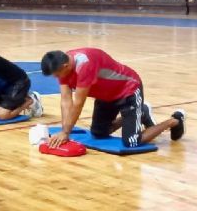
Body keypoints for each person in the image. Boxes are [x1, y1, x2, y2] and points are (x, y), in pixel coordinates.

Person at [41, 48, 185, 148]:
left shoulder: (85, 65)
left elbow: (78, 103)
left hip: (128, 91)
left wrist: (66, 132)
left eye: (57, 74)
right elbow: (66, 100)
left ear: (66, 66)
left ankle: (174, 120)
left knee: (132, 141)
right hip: (106, 96)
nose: (56, 78)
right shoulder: (63, 66)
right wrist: (64, 130)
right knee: (98, 133)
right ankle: (142, 112)